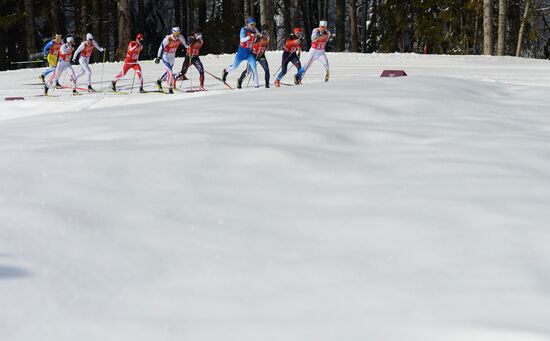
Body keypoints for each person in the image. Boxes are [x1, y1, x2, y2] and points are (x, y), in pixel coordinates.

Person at [222, 17, 260, 88]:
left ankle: (256, 86)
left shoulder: (255, 29)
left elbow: (259, 35)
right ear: (248, 24)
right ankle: (225, 71)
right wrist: (249, 37)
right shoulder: (243, 29)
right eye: (251, 24)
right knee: (235, 66)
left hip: (249, 53)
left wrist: (260, 36)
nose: (253, 26)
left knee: (254, 69)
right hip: (241, 53)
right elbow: (242, 40)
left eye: (254, 24)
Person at [155, 27, 188, 94]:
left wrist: (190, 44)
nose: (178, 34)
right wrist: (158, 57)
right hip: (165, 56)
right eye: (177, 32)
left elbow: (186, 45)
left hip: (172, 56)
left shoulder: (180, 37)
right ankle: (170, 87)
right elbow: (161, 47)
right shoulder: (167, 39)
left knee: (168, 72)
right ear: (173, 32)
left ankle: (159, 81)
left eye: (179, 32)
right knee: (170, 72)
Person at [237, 24, 270, 89]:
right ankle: (240, 80)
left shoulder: (267, 38)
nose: (265, 32)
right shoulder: (257, 36)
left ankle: (267, 85)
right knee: (248, 71)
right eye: (264, 30)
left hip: (261, 55)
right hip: (253, 55)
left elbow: (265, 47)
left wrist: (261, 53)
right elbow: (251, 43)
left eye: (267, 30)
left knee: (267, 69)